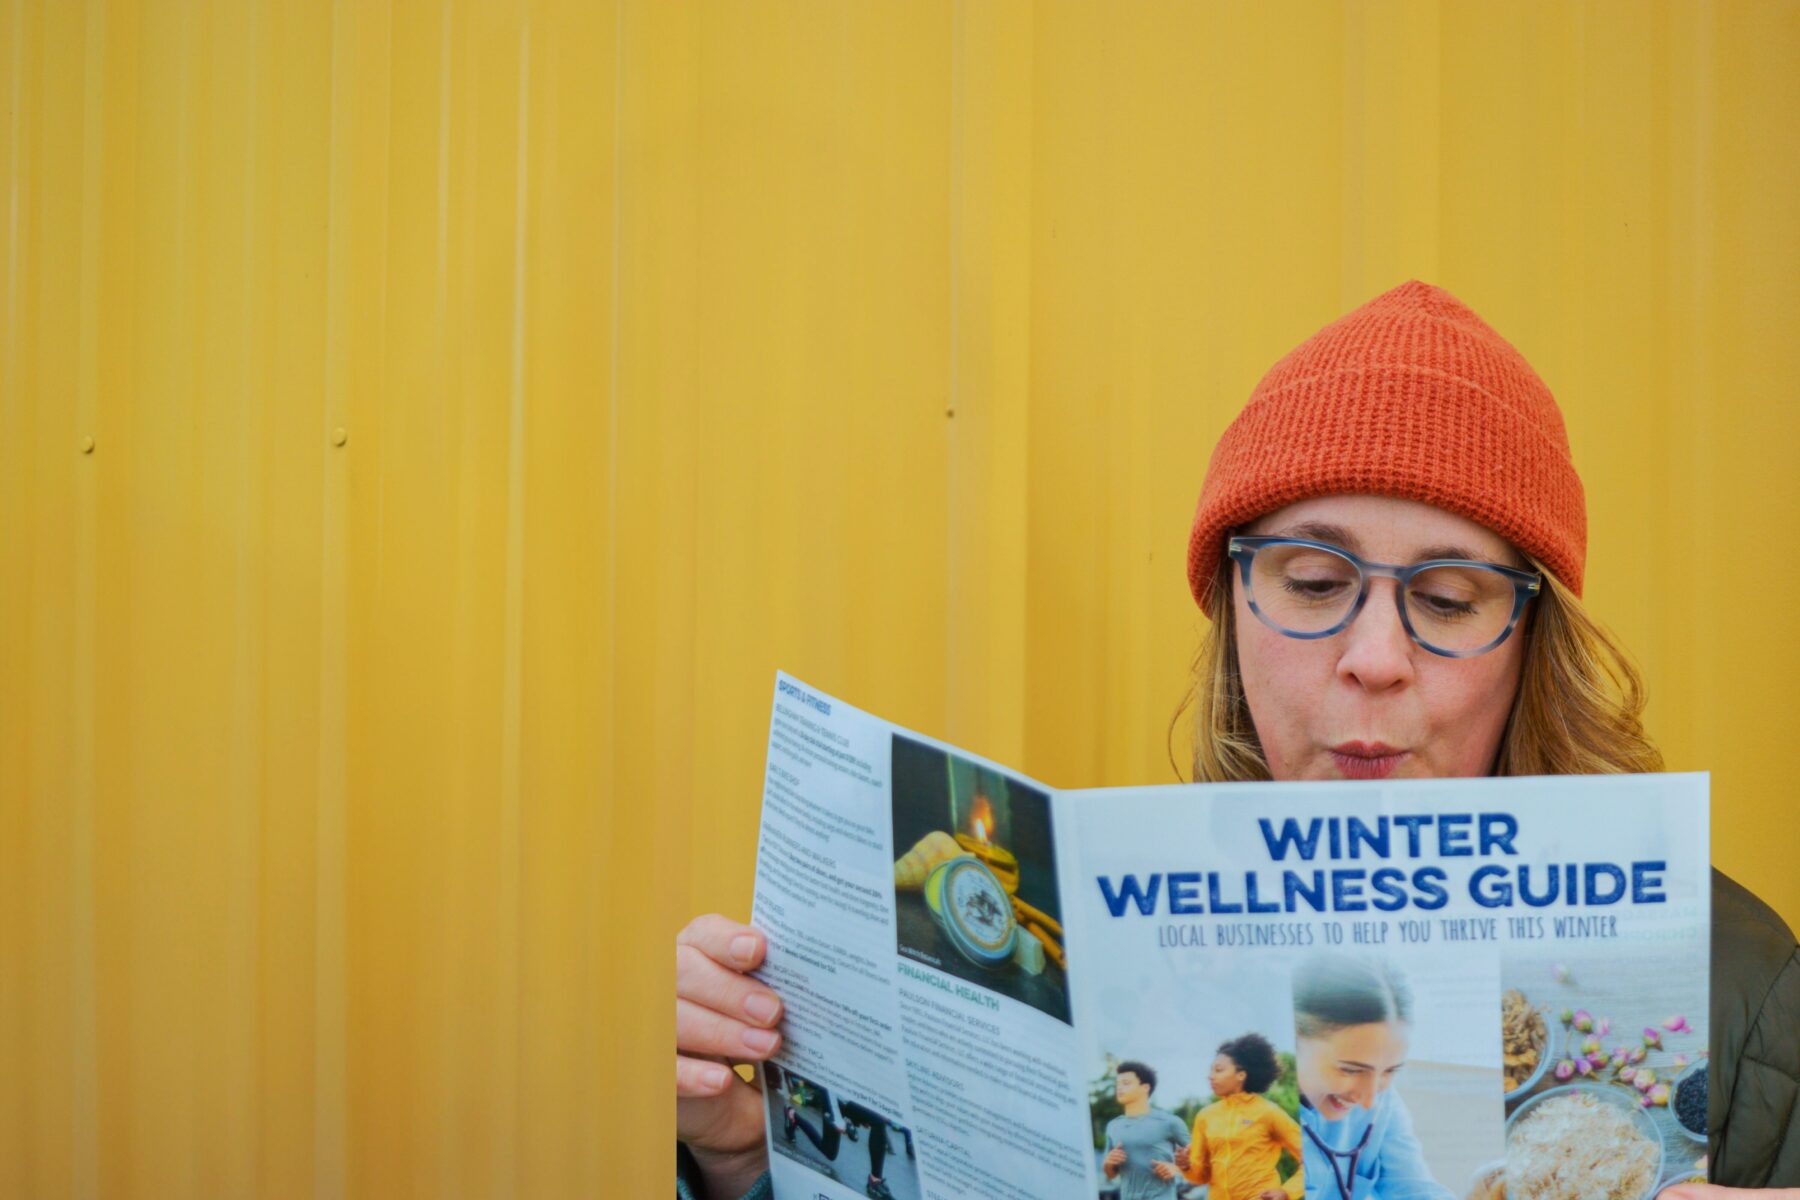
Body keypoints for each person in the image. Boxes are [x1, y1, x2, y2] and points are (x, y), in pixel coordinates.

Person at [674, 281, 1800, 1200]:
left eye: (1449, 600)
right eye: (1313, 584)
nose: (1374, 656)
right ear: (1230, 618)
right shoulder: (1103, 943)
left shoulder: (1750, 993)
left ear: (1530, 646)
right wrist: (738, 1163)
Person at [1287, 953, 1446, 1200]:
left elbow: (1413, 1187)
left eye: (1389, 1071)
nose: (1369, 1100)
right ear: (1294, 1037)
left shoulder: (1384, 1102)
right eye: (1350, 1070)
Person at [1175, 1033, 1303, 1200]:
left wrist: (1287, 1192)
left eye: (1219, 1070)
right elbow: (1201, 1176)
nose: (1211, 1076)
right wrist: (1186, 1166)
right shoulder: (1206, 1116)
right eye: (1211, 1070)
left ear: (1241, 1075)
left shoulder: (1268, 1112)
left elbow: (1313, 1158)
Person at [1100, 1061, 1191, 1200]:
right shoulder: (1113, 1126)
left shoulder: (1169, 1122)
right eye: (1118, 1084)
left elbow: (1202, 1160)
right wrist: (1109, 1163)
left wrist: (1176, 1169)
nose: (1119, 1088)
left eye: (1126, 1083)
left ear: (1145, 1087)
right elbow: (1111, 1174)